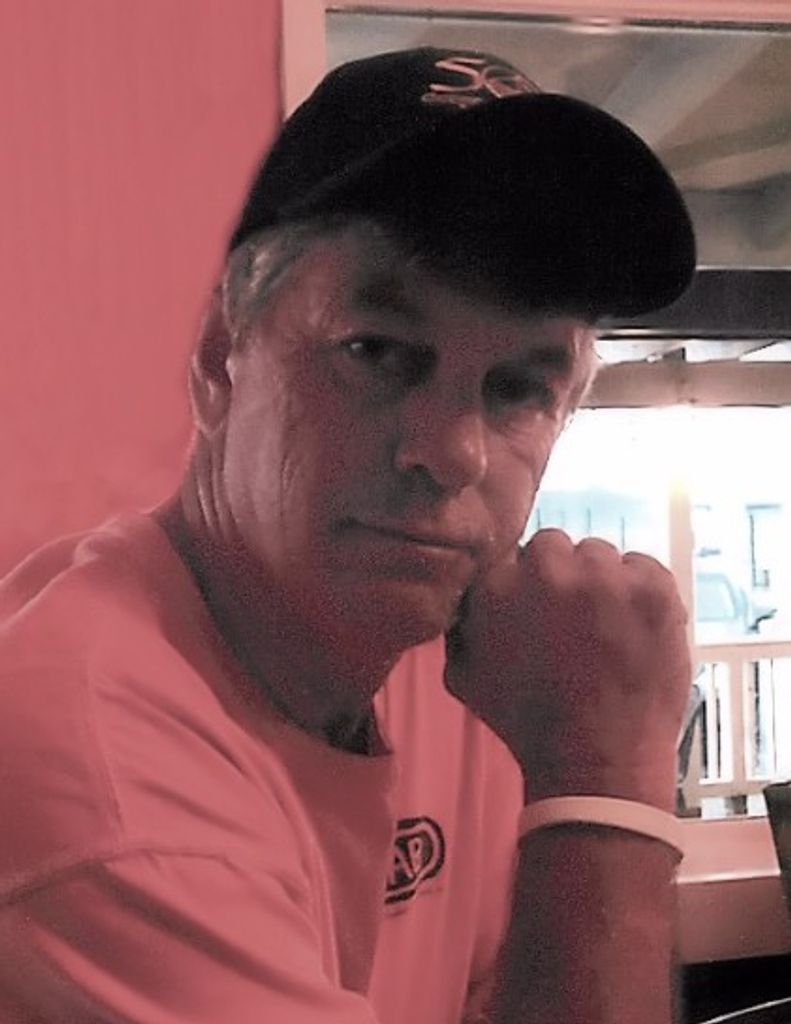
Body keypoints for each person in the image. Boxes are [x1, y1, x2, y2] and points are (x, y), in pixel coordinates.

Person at [0, 47, 695, 1023]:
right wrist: (604, 783)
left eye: (518, 389)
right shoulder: (101, 775)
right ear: (220, 361)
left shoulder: (470, 675)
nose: (451, 453)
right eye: (376, 351)